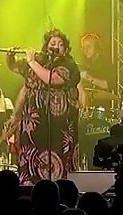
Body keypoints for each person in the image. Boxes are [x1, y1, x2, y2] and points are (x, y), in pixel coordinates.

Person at [6, 29, 81, 183]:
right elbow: (13, 67)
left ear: (65, 50)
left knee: (57, 161)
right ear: (46, 46)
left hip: (57, 126)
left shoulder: (68, 65)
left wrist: (31, 61)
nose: (56, 46)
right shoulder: (38, 62)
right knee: (31, 159)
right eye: (53, 43)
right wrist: (9, 57)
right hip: (33, 124)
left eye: (60, 44)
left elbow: (53, 79)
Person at [77, 32, 116, 111]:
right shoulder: (84, 63)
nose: (85, 50)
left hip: (102, 107)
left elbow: (108, 85)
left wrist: (89, 78)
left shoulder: (105, 63)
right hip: (87, 105)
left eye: (88, 47)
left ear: (96, 47)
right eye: (83, 47)